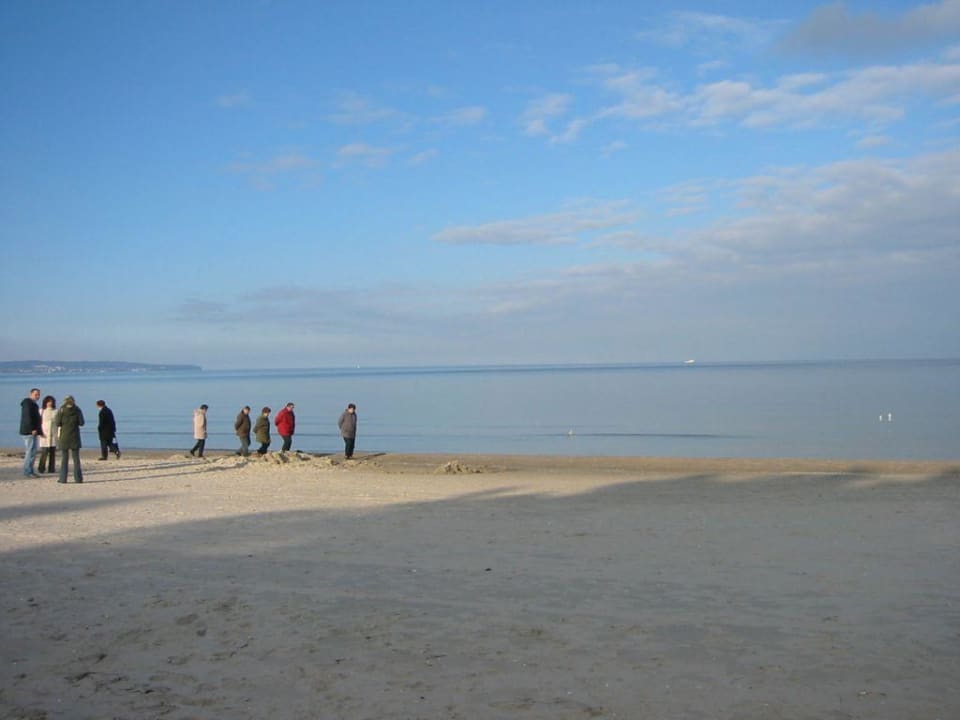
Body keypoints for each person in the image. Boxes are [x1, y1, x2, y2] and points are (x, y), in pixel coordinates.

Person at [54, 395, 84, 484]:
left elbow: (57, 423)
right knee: (76, 459)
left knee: (64, 459)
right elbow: (82, 423)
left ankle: (63, 478)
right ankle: (78, 479)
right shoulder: (77, 410)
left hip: (64, 437)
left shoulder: (62, 410)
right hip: (75, 437)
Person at [19, 387, 43, 477]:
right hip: (29, 432)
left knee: (32, 452)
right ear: (31, 394)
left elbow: (36, 418)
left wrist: (39, 431)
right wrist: (32, 429)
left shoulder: (33, 404)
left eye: (38, 395)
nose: (37, 396)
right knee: (30, 451)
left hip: (33, 431)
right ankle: (27, 471)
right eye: (36, 394)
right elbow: (27, 417)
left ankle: (30, 470)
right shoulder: (27, 403)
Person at [37, 395, 57, 474]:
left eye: (51, 402)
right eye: (48, 402)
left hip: (53, 433)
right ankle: (41, 468)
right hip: (44, 433)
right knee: (44, 452)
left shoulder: (56, 411)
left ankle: (51, 468)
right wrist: (39, 432)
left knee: (52, 452)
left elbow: (58, 423)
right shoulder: (41, 411)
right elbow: (38, 422)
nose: (50, 403)